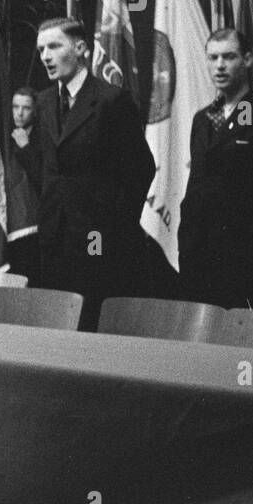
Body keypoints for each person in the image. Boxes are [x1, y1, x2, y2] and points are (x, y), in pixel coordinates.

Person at [34, 18, 155, 331]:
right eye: (41, 49)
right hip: (55, 236)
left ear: (81, 48)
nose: (45, 56)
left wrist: (110, 228)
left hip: (99, 239)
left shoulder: (111, 100)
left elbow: (140, 169)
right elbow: (48, 167)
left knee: (92, 324)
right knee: (58, 327)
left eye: (54, 46)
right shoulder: (44, 101)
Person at [179, 29, 253, 307]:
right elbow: (197, 185)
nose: (219, 65)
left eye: (229, 57)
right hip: (198, 255)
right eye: (213, 58)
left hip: (244, 257)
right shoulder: (203, 119)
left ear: (247, 60)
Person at [7, 87, 42, 283]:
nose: (19, 113)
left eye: (26, 108)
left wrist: (26, 148)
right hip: (7, 222)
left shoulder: (42, 138)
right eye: (15, 107)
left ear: (34, 111)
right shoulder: (4, 136)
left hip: (32, 226)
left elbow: (44, 181)